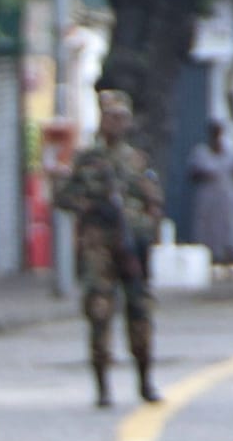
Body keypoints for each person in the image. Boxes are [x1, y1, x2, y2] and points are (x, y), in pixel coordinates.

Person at [53, 88, 165, 408]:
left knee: (140, 310)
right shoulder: (86, 159)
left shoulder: (136, 160)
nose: (116, 123)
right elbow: (62, 197)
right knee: (99, 311)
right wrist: (89, 207)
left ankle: (145, 380)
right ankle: (102, 386)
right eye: (111, 116)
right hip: (98, 246)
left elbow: (154, 201)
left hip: (132, 247)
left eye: (121, 117)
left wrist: (145, 233)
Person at [188, 119, 233, 266]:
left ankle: (228, 260)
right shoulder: (201, 152)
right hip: (208, 195)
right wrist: (204, 174)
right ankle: (207, 259)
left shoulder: (230, 153)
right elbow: (192, 175)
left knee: (227, 228)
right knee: (206, 228)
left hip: (226, 195)